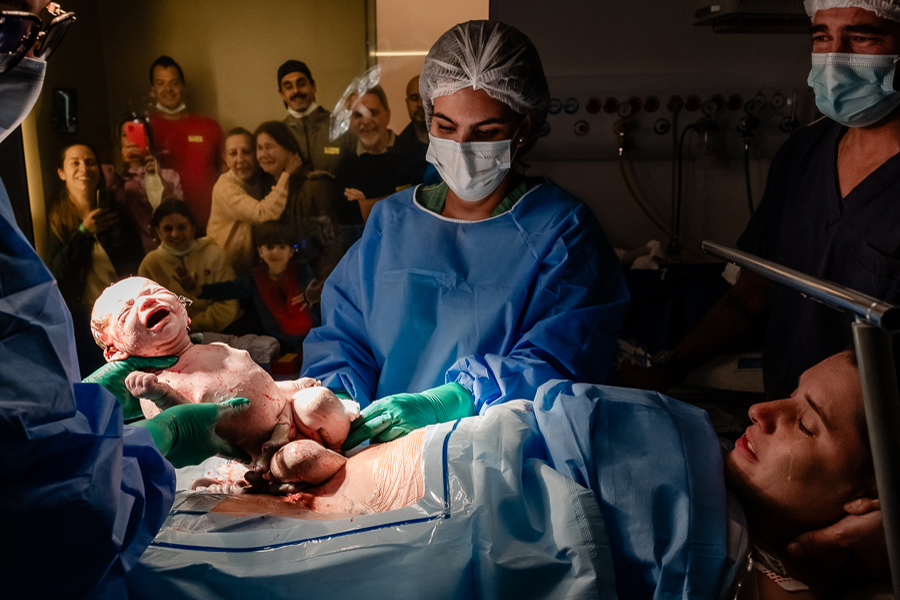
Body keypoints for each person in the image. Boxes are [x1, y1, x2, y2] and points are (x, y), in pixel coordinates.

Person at [136, 352, 879, 599]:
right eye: (789, 393)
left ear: (865, 502)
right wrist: (453, 400)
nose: (763, 409)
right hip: (383, 473)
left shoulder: (732, 567)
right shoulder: (682, 431)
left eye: (807, 422)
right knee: (155, 513)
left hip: (434, 535)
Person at [619, 0, 898, 569]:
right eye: (822, 37)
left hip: (871, 477)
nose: (835, 59)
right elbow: (754, 293)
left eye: (862, 38)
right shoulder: (803, 156)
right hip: (789, 455)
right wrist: (668, 368)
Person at [0, 4, 250, 598]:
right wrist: (151, 439)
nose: (30, 53)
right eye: (16, 29)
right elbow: (48, 514)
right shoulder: (119, 392)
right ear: (109, 346)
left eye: (48, 34)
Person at [303, 20, 629, 446]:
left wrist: (453, 401)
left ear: (525, 126)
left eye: (486, 133)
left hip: (497, 462)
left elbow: (559, 362)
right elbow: (346, 337)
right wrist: (338, 401)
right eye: (445, 126)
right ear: (427, 117)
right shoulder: (391, 222)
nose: (462, 146)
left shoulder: (562, 233)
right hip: (376, 454)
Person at [44, 142, 145, 376]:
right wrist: (84, 232)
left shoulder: (117, 213)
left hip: (120, 313)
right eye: (75, 163)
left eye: (90, 162)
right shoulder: (58, 218)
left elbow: (135, 261)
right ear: (61, 172)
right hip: (81, 318)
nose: (84, 168)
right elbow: (55, 272)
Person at [200, 221, 320, 353]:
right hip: (278, 343)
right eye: (269, 247)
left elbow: (319, 289)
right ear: (260, 251)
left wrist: (314, 295)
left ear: (291, 251)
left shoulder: (302, 270)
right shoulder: (255, 279)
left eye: (282, 247)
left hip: (312, 339)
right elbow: (230, 289)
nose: (275, 252)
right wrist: (200, 290)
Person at [255, 120, 344, 281]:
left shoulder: (315, 187)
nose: (263, 154)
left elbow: (333, 246)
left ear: (289, 149)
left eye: (269, 146)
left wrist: (315, 284)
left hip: (313, 284)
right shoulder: (262, 192)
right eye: (259, 148)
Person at [138, 199, 240, 333]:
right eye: (168, 229)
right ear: (158, 232)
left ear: (193, 228)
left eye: (181, 227)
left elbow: (228, 305)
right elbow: (147, 311)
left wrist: (192, 327)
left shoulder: (214, 254)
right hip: (173, 335)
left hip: (222, 329)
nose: (175, 234)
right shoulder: (150, 264)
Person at [148, 55, 224, 232]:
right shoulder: (146, 129)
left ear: (183, 86)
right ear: (152, 90)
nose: (168, 89)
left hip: (211, 225)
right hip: (168, 231)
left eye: (174, 83)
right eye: (161, 84)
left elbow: (224, 174)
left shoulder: (209, 126)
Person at [207, 127, 291, 276]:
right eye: (233, 153)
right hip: (224, 270)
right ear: (225, 159)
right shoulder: (225, 187)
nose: (240, 160)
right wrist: (287, 174)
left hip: (250, 269)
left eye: (246, 152)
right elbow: (263, 214)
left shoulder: (259, 181)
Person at [334, 85, 424, 221]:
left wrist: (366, 204)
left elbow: (420, 206)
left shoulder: (414, 154)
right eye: (358, 115)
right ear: (350, 121)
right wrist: (398, 196)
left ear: (388, 115)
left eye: (373, 113)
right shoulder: (344, 164)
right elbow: (348, 217)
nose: (365, 121)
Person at [103, 114, 184, 254]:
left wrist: (159, 179)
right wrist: (121, 169)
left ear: (149, 140)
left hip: (169, 250)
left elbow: (179, 215)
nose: (131, 139)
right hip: (131, 254)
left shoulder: (169, 176)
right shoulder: (111, 176)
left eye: (140, 133)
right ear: (119, 142)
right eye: (125, 134)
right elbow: (110, 213)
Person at [393, 74, 429, 181]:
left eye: (425, 98)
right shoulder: (398, 149)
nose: (420, 104)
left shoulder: (452, 139)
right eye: (414, 98)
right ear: (407, 102)